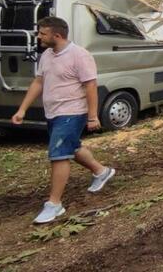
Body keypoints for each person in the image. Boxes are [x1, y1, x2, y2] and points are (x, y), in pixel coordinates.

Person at [12, 16, 115, 224]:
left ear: (56, 35)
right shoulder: (47, 55)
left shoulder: (79, 55)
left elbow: (91, 86)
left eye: (42, 33)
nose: (38, 37)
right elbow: (39, 82)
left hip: (72, 111)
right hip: (53, 112)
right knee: (72, 147)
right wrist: (22, 109)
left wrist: (92, 116)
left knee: (58, 155)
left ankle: (54, 204)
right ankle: (101, 171)